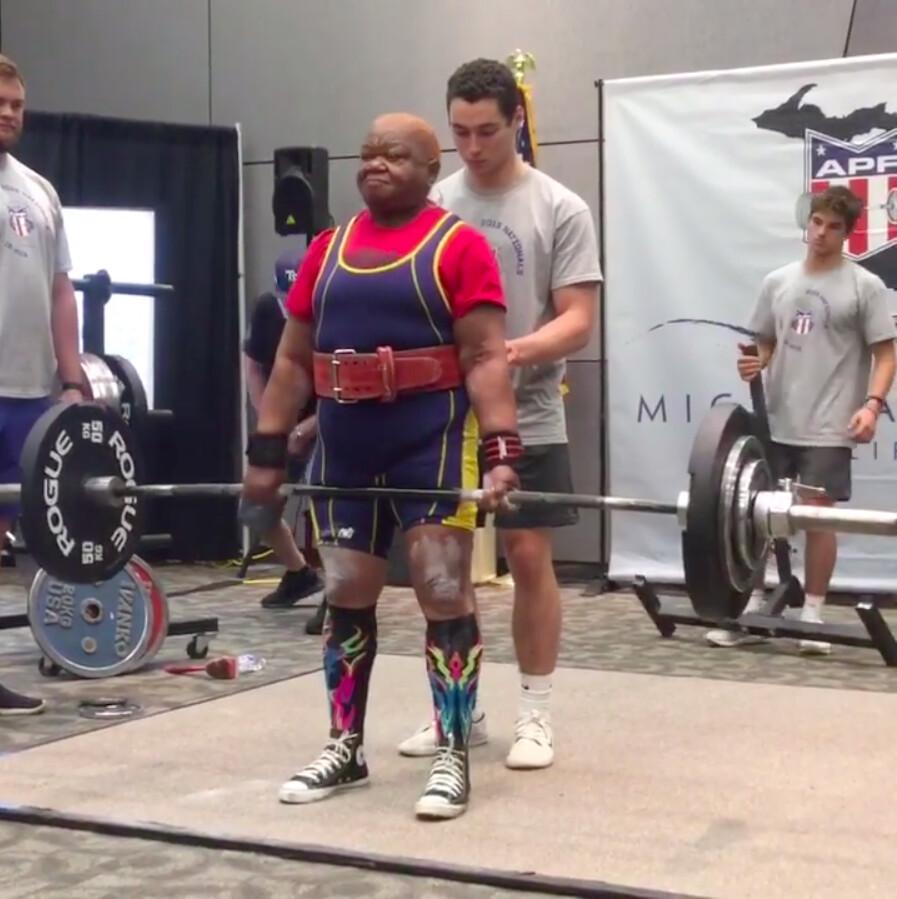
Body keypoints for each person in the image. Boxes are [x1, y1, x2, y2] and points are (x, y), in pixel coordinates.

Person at [241, 112, 520, 820]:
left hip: (430, 439)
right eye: (365, 154)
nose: (374, 164)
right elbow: (292, 361)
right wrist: (266, 453)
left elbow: (486, 356)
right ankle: (346, 745)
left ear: (431, 168)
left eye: (394, 154)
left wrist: (501, 450)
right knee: (346, 593)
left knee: (441, 590)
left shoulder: (457, 246)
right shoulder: (328, 250)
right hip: (346, 445)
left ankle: (453, 751)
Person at [397, 59, 602, 769]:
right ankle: (458, 707)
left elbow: (578, 319)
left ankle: (536, 712)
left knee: (527, 554)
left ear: (517, 120)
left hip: (531, 407)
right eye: (459, 132)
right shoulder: (431, 205)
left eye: (487, 130)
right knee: (442, 562)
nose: (473, 146)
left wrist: (509, 352)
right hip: (442, 414)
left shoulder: (558, 208)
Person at [706, 185, 896, 654]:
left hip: (831, 422)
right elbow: (764, 341)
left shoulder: (863, 286)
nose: (822, 234)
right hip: (776, 419)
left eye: (833, 227)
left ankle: (812, 610)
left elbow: (886, 353)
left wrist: (871, 404)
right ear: (806, 223)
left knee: (816, 516)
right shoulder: (778, 282)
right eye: (816, 223)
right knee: (759, 515)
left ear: (848, 234)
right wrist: (757, 362)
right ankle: (753, 602)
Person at [0, 54, 82, 716]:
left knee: (43, 527)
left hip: (31, 391)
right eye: (0, 102)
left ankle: (61, 639)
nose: (9, 112)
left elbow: (60, 290)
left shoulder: (39, 190)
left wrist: (72, 376)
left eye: (17, 104)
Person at [242, 246, 325, 628]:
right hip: (283, 415)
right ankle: (299, 573)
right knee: (256, 505)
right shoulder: (266, 311)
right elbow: (254, 366)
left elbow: (349, 387)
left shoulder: (334, 311)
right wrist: (269, 422)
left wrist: (308, 428)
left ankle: (340, 595)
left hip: (331, 416)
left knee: (326, 507)